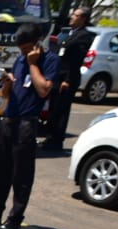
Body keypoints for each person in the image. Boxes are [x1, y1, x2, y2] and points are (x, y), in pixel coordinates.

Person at [0, 22, 60, 229]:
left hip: (27, 123)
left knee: (21, 175)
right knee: (0, 169)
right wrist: (7, 82)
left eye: (27, 48)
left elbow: (44, 89)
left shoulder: (49, 61)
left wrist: (33, 64)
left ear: (37, 43)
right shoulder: (20, 60)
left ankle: (14, 219)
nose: (23, 52)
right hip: (8, 119)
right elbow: (7, 95)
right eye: (21, 49)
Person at [44, 7, 93, 149]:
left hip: (67, 78)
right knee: (53, 109)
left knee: (61, 111)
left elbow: (75, 61)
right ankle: (50, 137)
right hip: (57, 76)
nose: (72, 17)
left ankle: (56, 140)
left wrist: (67, 80)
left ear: (83, 19)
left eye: (76, 15)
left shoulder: (84, 36)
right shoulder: (69, 33)